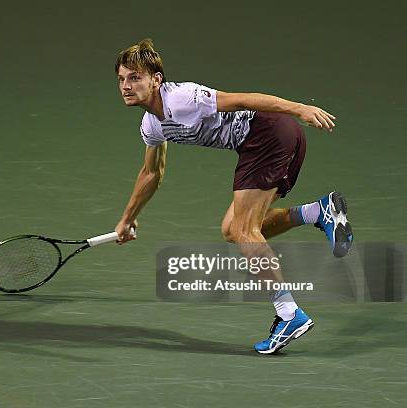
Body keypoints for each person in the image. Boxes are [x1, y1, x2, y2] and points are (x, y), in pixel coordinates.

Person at [113, 38, 354, 354]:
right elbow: (151, 173)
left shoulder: (183, 98)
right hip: (268, 141)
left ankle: (289, 313)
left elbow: (242, 100)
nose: (126, 86)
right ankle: (318, 212)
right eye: (121, 79)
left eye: (135, 78)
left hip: (267, 134)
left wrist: (300, 109)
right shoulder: (152, 125)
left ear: (156, 79)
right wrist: (128, 219)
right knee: (233, 229)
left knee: (244, 231)